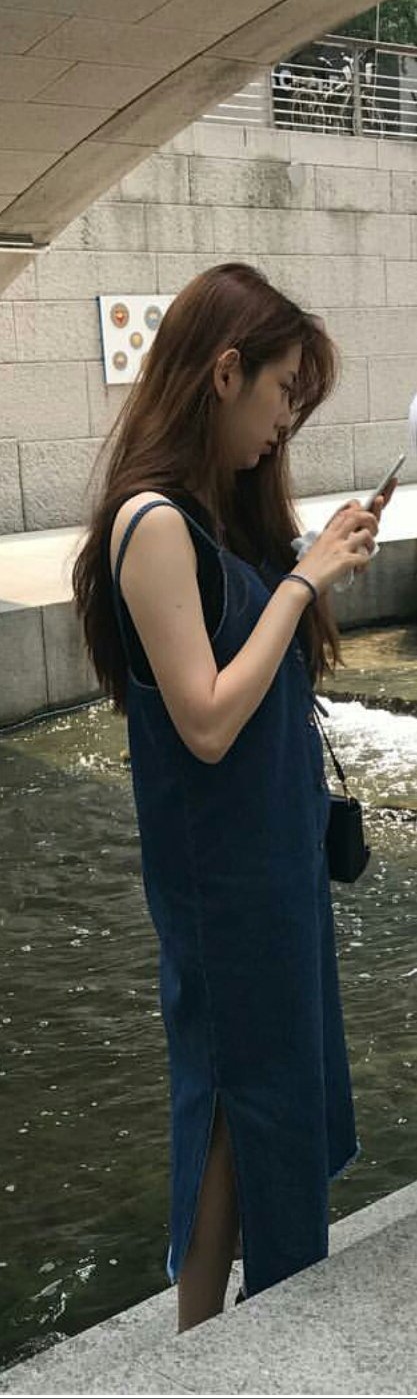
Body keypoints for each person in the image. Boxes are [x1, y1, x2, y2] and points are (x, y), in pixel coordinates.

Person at [73, 263, 385, 1334]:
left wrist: (305, 566)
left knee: (267, 1083)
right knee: (229, 1090)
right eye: (283, 390)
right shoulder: (152, 521)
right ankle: (202, 1335)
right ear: (222, 371)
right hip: (224, 875)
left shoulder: (214, 518)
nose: (285, 419)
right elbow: (204, 719)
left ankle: (229, 1325)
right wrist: (304, 579)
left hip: (269, 857)